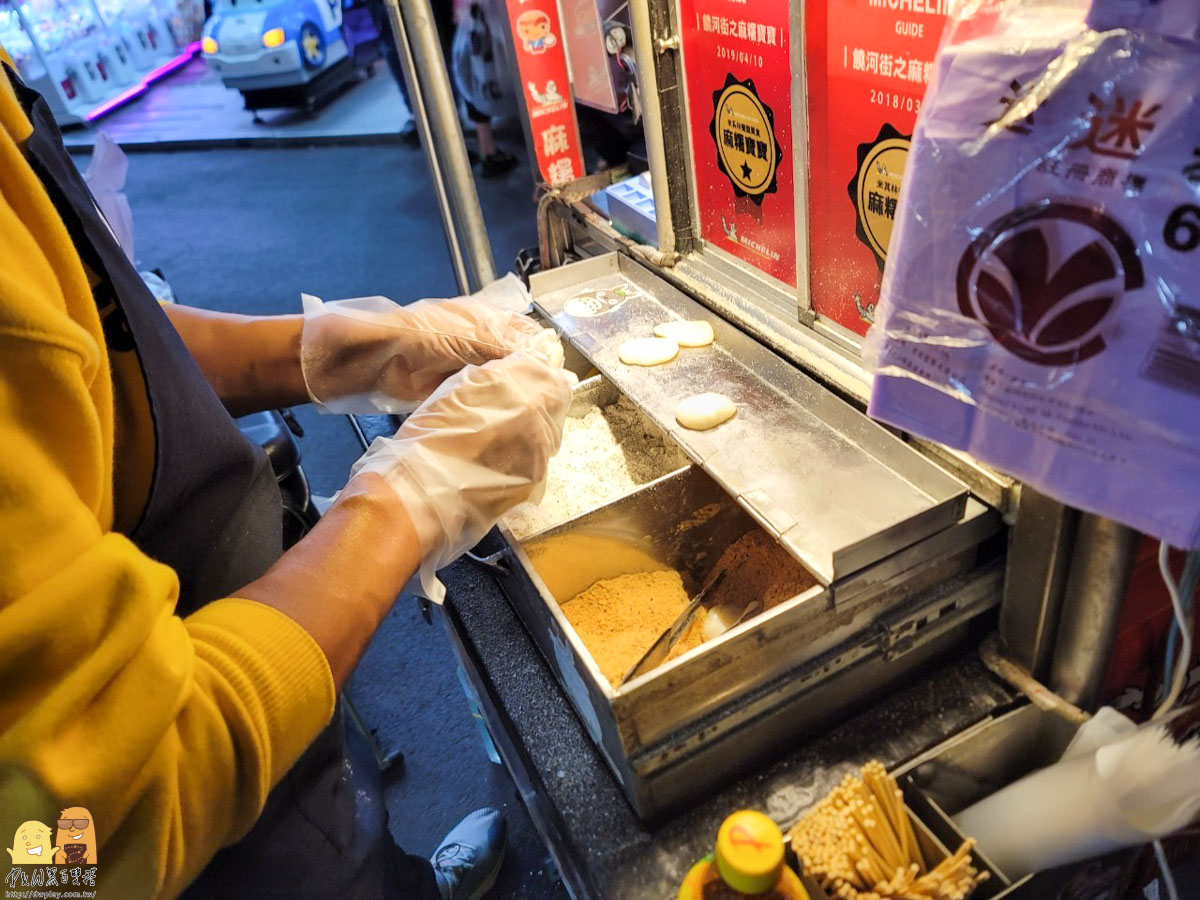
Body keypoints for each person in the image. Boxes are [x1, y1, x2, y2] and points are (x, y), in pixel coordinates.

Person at [0, 44, 572, 900]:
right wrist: (412, 495)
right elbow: (97, 819)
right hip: (180, 846)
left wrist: (340, 352)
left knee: (344, 840)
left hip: (263, 668)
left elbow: (87, 338)